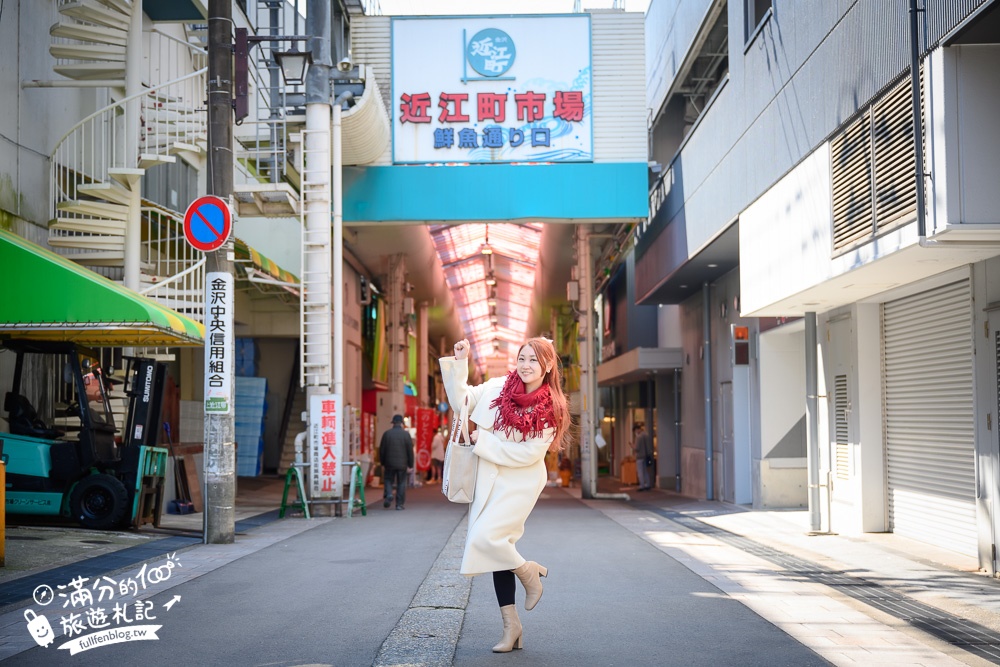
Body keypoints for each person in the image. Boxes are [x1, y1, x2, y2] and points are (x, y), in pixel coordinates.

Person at [440, 336, 570, 654]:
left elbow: (528, 455)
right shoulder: (498, 387)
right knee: (497, 550)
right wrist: (461, 362)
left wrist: (483, 442)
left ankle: (528, 573)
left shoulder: (550, 407)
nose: (525, 366)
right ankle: (512, 626)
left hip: (521, 481)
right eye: (522, 358)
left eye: (533, 360)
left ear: (548, 365)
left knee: (487, 539)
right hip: (489, 478)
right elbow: (463, 401)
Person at [379, 414, 414, 510]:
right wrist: (410, 464)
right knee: (401, 483)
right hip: (402, 464)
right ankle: (399, 504)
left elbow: (382, 450)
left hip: (389, 463)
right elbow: (409, 451)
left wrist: (382, 462)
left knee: (388, 479)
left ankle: (389, 494)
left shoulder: (387, 434)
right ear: (402, 423)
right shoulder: (406, 435)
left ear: (393, 423)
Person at [633, 422, 654, 491]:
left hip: (640, 456)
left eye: (635, 430)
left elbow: (637, 448)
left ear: (637, 429)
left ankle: (641, 486)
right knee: (645, 471)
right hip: (646, 456)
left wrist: (632, 446)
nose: (635, 432)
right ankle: (648, 484)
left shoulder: (638, 437)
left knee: (640, 472)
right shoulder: (646, 435)